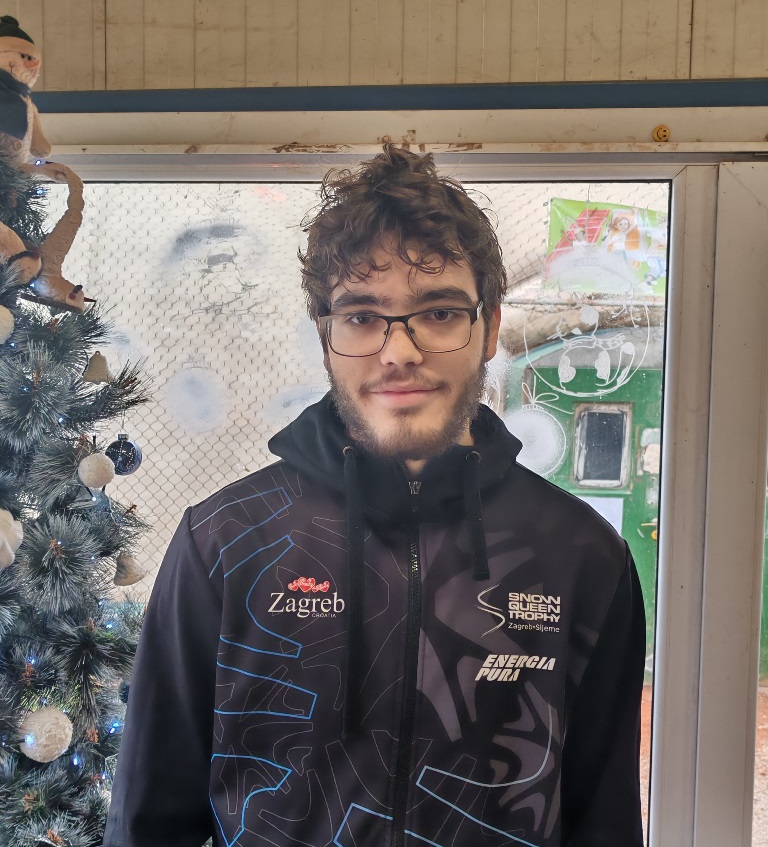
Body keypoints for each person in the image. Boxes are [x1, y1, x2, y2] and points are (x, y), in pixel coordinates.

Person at [104, 146, 646, 847]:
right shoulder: (225, 542)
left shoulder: (581, 556)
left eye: (439, 312)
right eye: (362, 316)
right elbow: (148, 820)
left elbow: (605, 821)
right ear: (325, 333)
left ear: (489, 328)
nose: (400, 352)